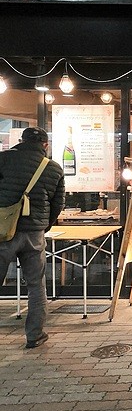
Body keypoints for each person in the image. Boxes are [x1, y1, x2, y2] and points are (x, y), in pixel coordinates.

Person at [0, 127, 65, 349]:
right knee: (36, 285)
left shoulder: (4, 159)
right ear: (45, 145)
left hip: (3, 231)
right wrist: (44, 225)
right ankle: (34, 335)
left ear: (21, 141)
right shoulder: (53, 168)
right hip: (34, 233)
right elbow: (58, 204)